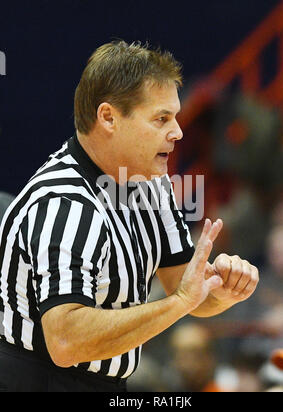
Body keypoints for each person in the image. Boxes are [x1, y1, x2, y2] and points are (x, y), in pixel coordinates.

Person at [0, 40, 259, 392]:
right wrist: (179, 302)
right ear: (108, 117)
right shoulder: (65, 204)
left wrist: (223, 291)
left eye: (176, 117)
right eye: (161, 119)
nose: (178, 132)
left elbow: (189, 293)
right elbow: (65, 342)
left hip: (108, 383)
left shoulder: (150, 186)